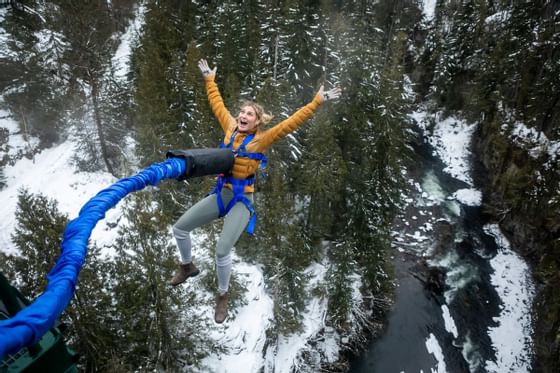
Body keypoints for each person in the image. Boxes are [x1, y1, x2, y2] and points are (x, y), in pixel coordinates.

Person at [169, 59, 341, 324]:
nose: (243, 116)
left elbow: (291, 123)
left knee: (222, 250)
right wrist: (209, 81)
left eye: (250, 114)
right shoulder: (230, 127)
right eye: (243, 112)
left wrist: (316, 102)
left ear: (258, 121)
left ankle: (223, 295)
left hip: (241, 200)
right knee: (180, 228)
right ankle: (187, 266)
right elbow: (217, 105)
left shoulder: (262, 139)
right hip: (222, 194)